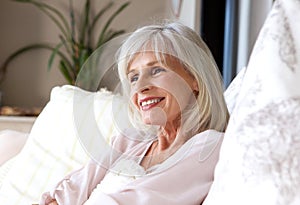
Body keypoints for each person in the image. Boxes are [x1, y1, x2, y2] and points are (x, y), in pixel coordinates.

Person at [39, 21, 229, 205]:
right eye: (134, 77)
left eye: (156, 70)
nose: (140, 87)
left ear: (195, 78)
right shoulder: (128, 141)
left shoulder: (209, 147)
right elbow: (68, 193)